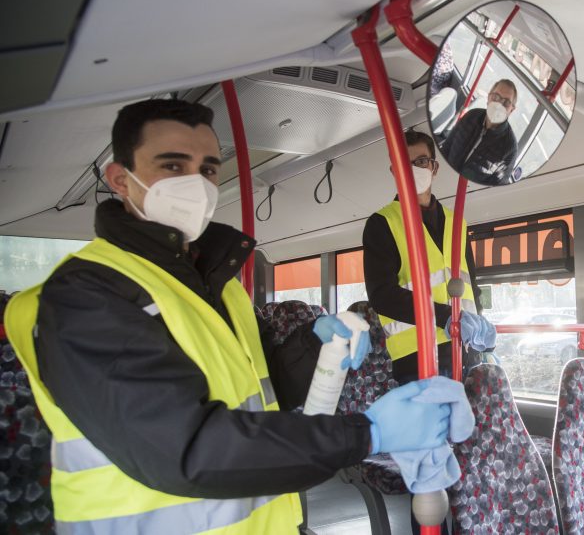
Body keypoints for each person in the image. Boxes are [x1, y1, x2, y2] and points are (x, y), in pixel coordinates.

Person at [3, 99, 456, 534]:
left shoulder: (216, 282)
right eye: (173, 165)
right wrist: (365, 434)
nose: (196, 183)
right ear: (120, 179)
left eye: (208, 169)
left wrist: (314, 346)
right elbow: (185, 449)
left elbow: (262, 387)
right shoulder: (84, 296)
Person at [363, 130, 496, 386]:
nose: (414, 169)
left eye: (421, 162)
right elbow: (382, 296)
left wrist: (479, 328)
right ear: (394, 170)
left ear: (434, 168)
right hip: (417, 357)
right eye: (405, 163)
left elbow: (472, 286)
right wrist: (446, 316)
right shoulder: (383, 224)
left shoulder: (457, 222)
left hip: (465, 350)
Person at [440, 79, 519, 185]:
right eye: (495, 97)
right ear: (488, 97)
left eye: (506, 102)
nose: (499, 104)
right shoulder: (470, 116)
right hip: (444, 175)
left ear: (511, 110)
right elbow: (447, 147)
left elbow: (495, 185)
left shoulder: (510, 148)